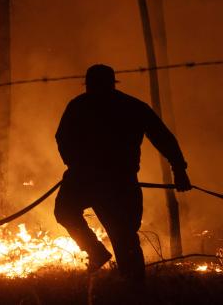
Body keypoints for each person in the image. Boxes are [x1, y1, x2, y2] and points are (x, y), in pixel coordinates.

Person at [54, 64, 192, 285]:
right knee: (69, 213)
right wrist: (75, 164)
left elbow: (163, 138)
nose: (95, 90)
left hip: (111, 181)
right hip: (98, 179)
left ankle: (133, 285)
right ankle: (104, 258)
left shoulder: (88, 105)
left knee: (122, 234)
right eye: (92, 86)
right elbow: (62, 138)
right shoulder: (124, 106)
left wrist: (180, 169)